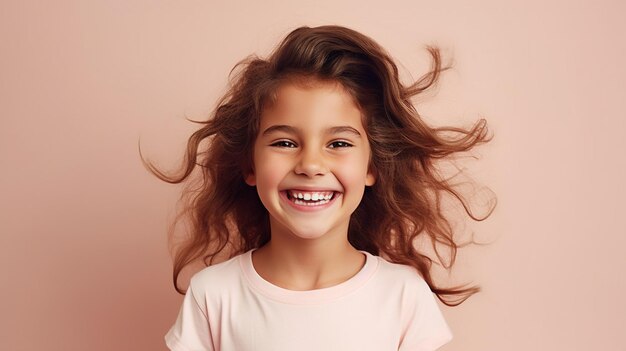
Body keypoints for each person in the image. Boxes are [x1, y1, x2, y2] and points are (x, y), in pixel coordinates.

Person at [147, 25, 495, 351]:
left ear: (372, 166)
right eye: (284, 143)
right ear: (249, 165)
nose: (310, 165)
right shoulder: (213, 295)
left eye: (339, 144)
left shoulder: (404, 297)